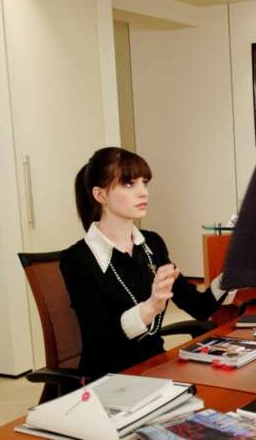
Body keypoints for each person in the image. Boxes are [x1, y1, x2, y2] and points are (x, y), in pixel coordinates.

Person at [60, 147, 226, 378]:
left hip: (155, 368)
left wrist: (231, 276)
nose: (143, 193)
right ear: (101, 195)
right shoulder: (77, 260)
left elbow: (199, 307)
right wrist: (151, 307)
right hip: (109, 379)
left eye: (144, 183)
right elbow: (101, 341)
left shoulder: (152, 244)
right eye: (129, 184)